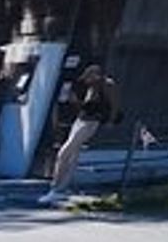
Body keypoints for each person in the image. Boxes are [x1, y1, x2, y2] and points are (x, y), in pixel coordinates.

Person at [41, 64, 119, 204]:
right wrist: (77, 103)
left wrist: (111, 121)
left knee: (64, 152)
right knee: (73, 154)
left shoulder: (107, 85)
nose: (86, 81)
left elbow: (113, 105)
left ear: (94, 75)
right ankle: (62, 187)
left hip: (91, 123)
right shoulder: (92, 88)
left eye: (88, 78)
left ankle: (55, 188)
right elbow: (88, 107)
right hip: (81, 120)